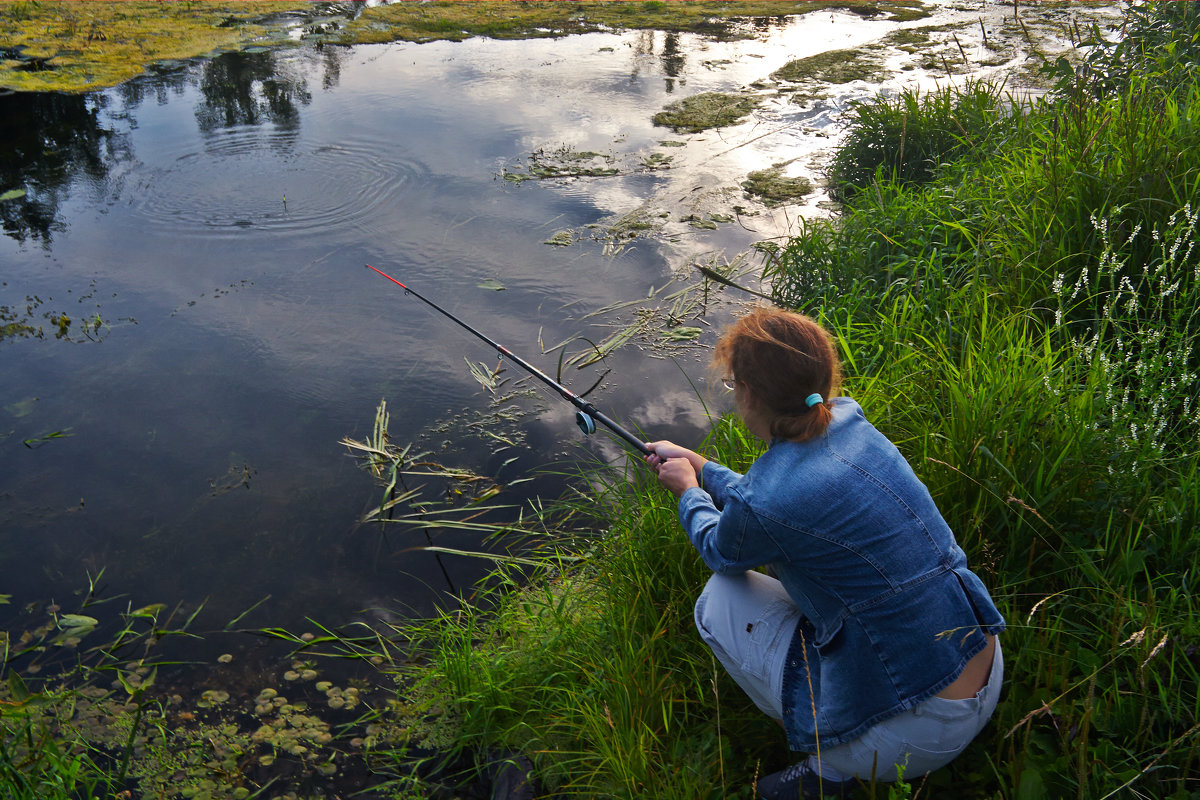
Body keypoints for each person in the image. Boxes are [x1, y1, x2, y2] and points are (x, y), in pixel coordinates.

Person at [644, 308, 1005, 799]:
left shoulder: (767, 501)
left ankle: (830, 765)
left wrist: (688, 492)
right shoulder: (853, 424)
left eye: (732, 387)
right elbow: (768, 501)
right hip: (982, 668)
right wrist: (702, 467)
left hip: (913, 735)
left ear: (748, 393)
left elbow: (720, 549)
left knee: (717, 602)